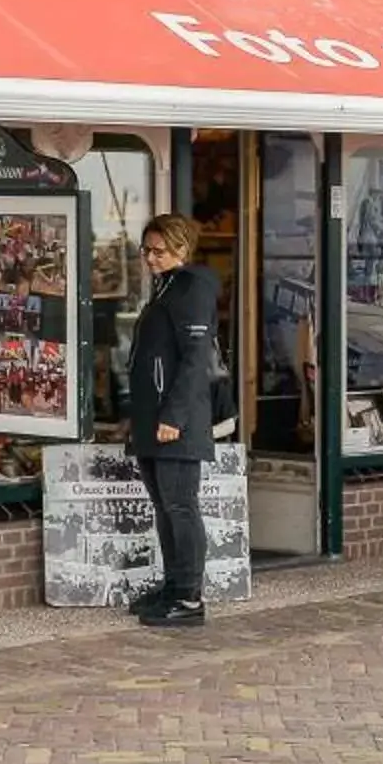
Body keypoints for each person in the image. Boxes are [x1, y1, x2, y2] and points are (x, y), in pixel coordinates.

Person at [125, 214, 221, 629]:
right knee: (164, 506)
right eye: (145, 249)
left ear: (181, 249)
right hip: (153, 418)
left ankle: (188, 598)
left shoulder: (191, 288)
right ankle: (173, 586)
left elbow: (195, 359)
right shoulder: (164, 288)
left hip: (174, 421)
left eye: (158, 251)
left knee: (181, 506)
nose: (149, 257)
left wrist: (174, 417)